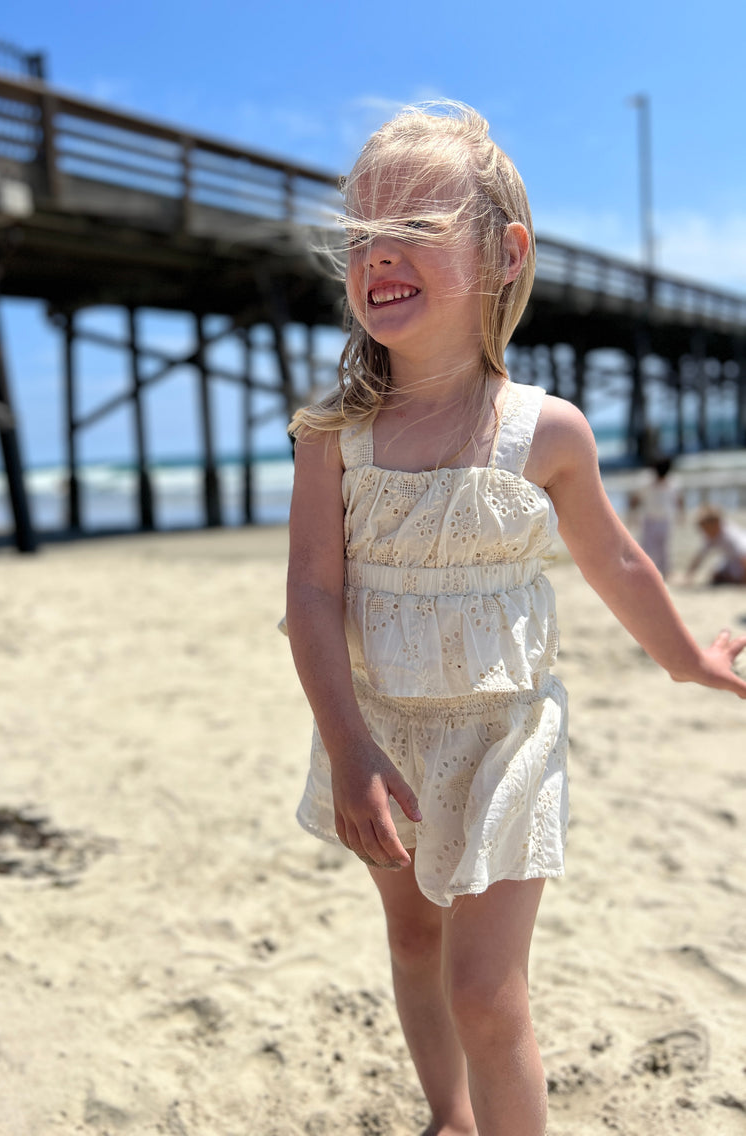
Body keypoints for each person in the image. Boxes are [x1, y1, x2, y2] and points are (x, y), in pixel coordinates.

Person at [283, 101, 746, 1136]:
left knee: (488, 990)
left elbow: (619, 561)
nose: (379, 256)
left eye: (416, 229)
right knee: (413, 943)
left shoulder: (549, 434)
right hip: (382, 737)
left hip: (506, 744)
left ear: (503, 254)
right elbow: (310, 595)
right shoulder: (334, 436)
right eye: (363, 235)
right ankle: (447, 1114)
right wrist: (348, 747)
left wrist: (688, 660)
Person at [628, 455, 682, 578]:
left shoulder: (673, 482)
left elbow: (678, 499)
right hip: (650, 519)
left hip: (665, 519)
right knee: (647, 548)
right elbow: (635, 499)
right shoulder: (646, 481)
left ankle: (666, 573)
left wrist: (680, 514)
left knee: (664, 549)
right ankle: (645, 572)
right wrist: (631, 515)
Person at [686, 504, 746, 585]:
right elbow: (699, 557)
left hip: (740, 562)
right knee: (715, 573)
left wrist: (743, 581)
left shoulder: (730, 535)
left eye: (705, 528)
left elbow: (743, 556)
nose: (704, 532)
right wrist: (688, 576)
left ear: (716, 524)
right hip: (732, 560)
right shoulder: (712, 535)